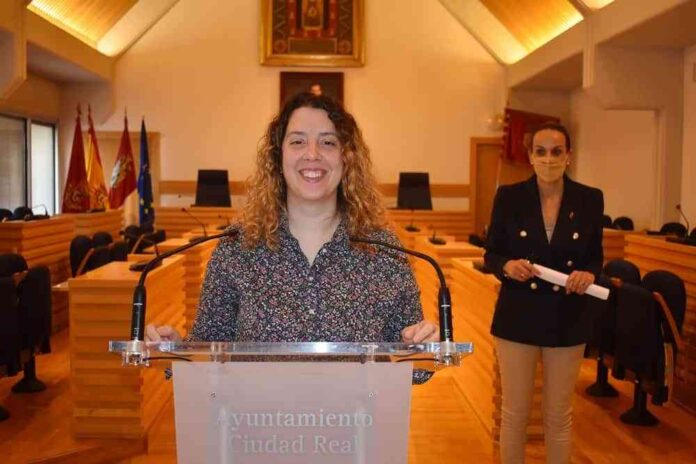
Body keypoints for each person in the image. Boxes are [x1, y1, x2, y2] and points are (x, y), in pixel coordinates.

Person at [146, 92, 438, 365]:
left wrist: (424, 345)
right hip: (257, 406)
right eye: (298, 141)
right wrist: (177, 350)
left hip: (358, 407)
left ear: (346, 158)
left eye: (328, 142)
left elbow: (415, 361)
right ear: (278, 156)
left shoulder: (384, 251)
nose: (312, 154)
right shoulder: (237, 248)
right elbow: (206, 348)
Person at [484, 122, 604, 463]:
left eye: (556, 152)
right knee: (515, 414)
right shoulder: (509, 197)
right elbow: (492, 253)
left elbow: (595, 256)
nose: (548, 159)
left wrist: (589, 273)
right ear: (530, 156)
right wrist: (507, 266)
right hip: (518, 315)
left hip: (568, 316)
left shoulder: (590, 199)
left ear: (568, 155)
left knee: (558, 416)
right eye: (541, 151)